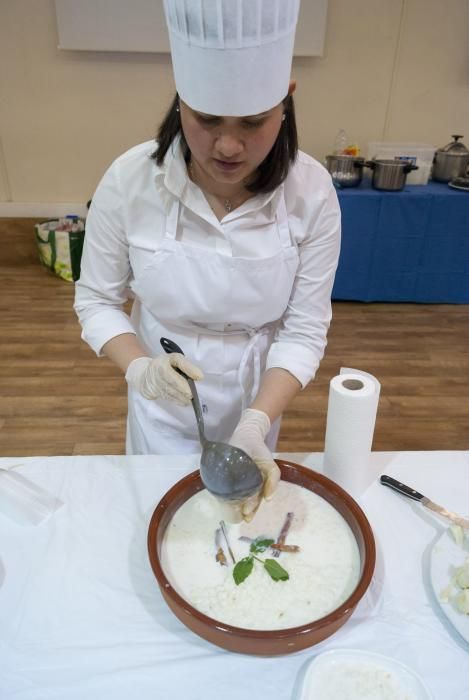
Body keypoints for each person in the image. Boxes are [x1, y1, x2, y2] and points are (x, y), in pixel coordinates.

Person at [74, 0, 341, 521]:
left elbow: (305, 329)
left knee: (243, 527)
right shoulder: (131, 181)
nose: (227, 145)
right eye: (207, 119)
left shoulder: (311, 192)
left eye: (253, 123)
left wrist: (256, 421)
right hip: (160, 404)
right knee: (161, 524)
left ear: (285, 102)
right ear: (181, 103)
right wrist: (141, 370)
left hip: (257, 393)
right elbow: (96, 299)